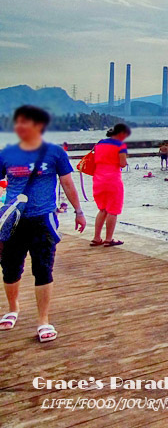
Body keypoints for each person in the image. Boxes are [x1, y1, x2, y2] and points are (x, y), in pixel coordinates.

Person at [0, 106, 85, 342]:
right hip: (13, 221)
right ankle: (12, 309)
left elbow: (68, 184)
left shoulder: (55, 153)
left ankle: (43, 321)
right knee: (9, 269)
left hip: (43, 218)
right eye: (17, 123)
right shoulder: (6, 154)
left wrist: (79, 211)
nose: (20, 127)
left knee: (43, 268)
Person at [90, 123, 130, 247]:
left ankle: (96, 238)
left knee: (102, 209)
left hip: (98, 179)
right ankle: (109, 239)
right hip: (113, 179)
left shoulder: (100, 143)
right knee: (113, 210)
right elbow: (122, 164)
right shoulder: (120, 145)